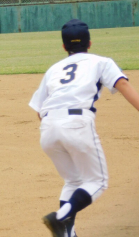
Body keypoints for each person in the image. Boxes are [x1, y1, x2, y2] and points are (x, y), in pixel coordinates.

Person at [29, 19, 139, 237]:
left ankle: (68, 234)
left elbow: (38, 109)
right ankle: (60, 217)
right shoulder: (101, 62)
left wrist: (56, 129)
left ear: (64, 47)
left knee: (74, 181)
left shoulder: (53, 69)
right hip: (77, 124)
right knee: (97, 182)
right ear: (90, 43)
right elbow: (123, 84)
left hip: (48, 128)